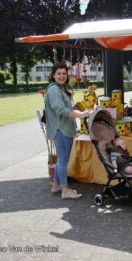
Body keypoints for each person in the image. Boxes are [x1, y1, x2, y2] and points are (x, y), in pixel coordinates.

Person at [45, 63, 90, 199]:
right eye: (59, 73)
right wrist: (80, 115)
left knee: (61, 159)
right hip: (61, 129)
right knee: (63, 160)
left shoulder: (60, 88)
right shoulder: (54, 89)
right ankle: (65, 190)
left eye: (64, 73)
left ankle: (57, 185)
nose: (62, 76)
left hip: (63, 128)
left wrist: (76, 110)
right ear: (53, 75)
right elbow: (60, 109)